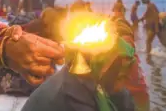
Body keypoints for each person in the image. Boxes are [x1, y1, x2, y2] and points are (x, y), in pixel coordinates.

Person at [21, 12, 149, 111]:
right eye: (120, 69)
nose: (126, 72)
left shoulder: (100, 80)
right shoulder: (72, 92)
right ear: (99, 63)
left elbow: (127, 103)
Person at [0, 7, 69, 96]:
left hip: (8, 66)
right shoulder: (41, 30)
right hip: (15, 67)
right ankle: (13, 84)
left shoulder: (41, 25)